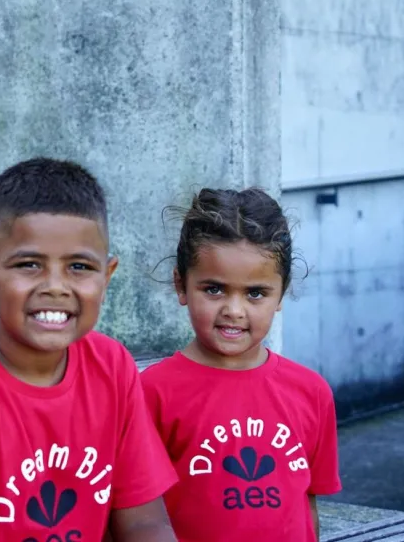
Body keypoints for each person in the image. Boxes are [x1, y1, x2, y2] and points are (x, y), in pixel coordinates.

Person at [0, 158, 179, 541]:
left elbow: (147, 524)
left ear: (107, 277)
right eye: (29, 264)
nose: (56, 287)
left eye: (79, 267)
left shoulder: (113, 367)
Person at [139, 189, 341, 542]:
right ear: (181, 285)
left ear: (281, 293)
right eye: (214, 289)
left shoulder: (311, 392)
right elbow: (135, 510)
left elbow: (307, 503)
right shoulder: (152, 392)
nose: (234, 309)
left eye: (255, 293)